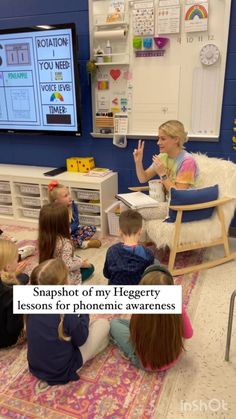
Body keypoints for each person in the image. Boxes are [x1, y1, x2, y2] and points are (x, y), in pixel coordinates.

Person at [26, 258, 110, 385]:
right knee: (103, 324)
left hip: (35, 367)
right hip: (62, 370)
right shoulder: (64, 312)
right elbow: (81, 339)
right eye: (69, 276)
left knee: (74, 331)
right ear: (64, 285)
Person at [110, 264, 193, 371]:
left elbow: (134, 333)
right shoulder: (177, 305)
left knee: (114, 323)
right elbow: (188, 334)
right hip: (173, 358)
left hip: (146, 364)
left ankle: (131, 356)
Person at [133, 120, 199, 192]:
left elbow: (179, 194)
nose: (158, 142)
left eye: (163, 139)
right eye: (158, 138)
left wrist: (163, 174)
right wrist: (138, 162)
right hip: (167, 201)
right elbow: (143, 179)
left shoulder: (188, 161)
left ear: (176, 139)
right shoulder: (162, 156)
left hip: (183, 202)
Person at [38, 203, 95, 284]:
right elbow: (68, 266)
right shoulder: (65, 243)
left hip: (48, 270)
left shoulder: (43, 238)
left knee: (76, 257)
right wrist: (82, 264)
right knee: (90, 267)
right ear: (63, 224)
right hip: (62, 274)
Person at [103, 209, 156, 285]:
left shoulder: (111, 251)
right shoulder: (148, 253)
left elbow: (106, 274)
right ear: (140, 231)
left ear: (120, 231)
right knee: (156, 263)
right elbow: (149, 277)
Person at [48, 180, 101, 249]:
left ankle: (76, 243)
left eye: (69, 194)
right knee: (58, 242)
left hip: (73, 231)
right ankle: (82, 243)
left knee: (92, 228)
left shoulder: (73, 206)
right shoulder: (53, 212)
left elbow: (76, 222)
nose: (69, 197)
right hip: (62, 236)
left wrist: (70, 229)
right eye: (66, 196)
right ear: (57, 201)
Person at [0, 240, 27, 348]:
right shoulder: (13, 293)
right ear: (7, 267)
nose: (18, 261)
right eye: (16, 259)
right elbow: (13, 329)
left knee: (24, 278)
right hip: (5, 339)